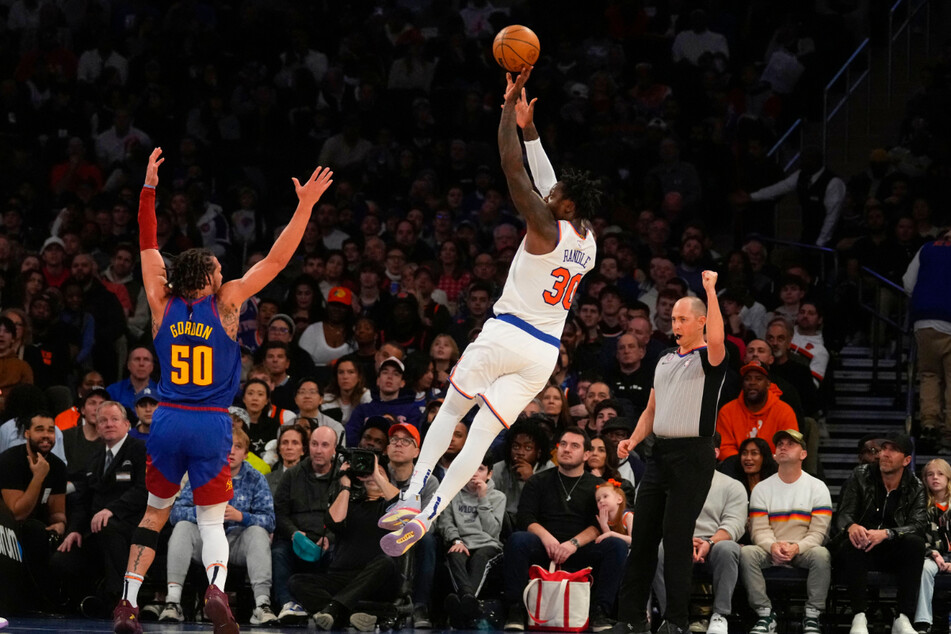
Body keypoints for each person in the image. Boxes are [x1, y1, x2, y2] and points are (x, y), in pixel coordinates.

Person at [379, 67, 600, 557]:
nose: (548, 194)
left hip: (505, 334)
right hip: (543, 355)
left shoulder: (543, 226)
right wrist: (531, 128)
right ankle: (433, 513)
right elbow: (550, 180)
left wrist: (506, 110)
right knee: (481, 435)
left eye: (553, 198)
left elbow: (512, 168)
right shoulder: (587, 239)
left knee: (454, 408)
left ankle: (412, 493)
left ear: (559, 208)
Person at [112, 148, 333, 634]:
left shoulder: (158, 299)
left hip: (166, 418)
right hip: (212, 421)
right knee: (212, 521)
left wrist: (148, 188)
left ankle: (127, 602)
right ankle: (216, 591)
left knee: (154, 514)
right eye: (216, 266)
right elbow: (278, 258)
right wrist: (305, 206)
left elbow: (147, 242)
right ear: (209, 279)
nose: (221, 270)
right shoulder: (228, 302)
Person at [614, 269, 727, 634]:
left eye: (682, 318)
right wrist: (632, 439)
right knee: (643, 537)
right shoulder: (663, 359)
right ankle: (630, 618)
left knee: (677, 539)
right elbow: (651, 409)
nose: (674, 323)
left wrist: (710, 290)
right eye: (673, 318)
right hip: (658, 455)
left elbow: (718, 336)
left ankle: (676, 620)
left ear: (701, 322)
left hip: (694, 456)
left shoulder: (710, 360)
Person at [502, 427, 627, 631]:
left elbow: (598, 524)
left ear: (586, 454)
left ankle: (600, 612)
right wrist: (547, 539)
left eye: (574, 446)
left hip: (579, 548)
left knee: (616, 545)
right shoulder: (538, 480)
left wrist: (573, 544)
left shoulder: (597, 486)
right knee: (517, 540)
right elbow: (525, 517)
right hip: (544, 546)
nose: (567, 449)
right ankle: (515, 610)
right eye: (564, 444)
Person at [159, 427, 278, 626]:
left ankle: (262, 605)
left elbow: (270, 520)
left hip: (237, 543)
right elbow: (176, 512)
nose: (231, 451)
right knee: (182, 527)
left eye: (237, 447)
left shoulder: (255, 478)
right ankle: (173, 602)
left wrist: (243, 517)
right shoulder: (201, 474)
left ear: (246, 454)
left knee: (258, 532)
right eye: (226, 446)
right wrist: (205, 513)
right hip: (205, 542)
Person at [52, 402, 147, 612]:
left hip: (129, 525)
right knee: (62, 559)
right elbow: (83, 500)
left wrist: (112, 509)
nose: (108, 424)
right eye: (103, 420)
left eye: (114, 419)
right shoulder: (94, 458)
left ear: (126, 424)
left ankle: (120, 601)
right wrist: (75, 529)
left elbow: (143, 490)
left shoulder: (140, 450)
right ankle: (85, 602)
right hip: (96, 529)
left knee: (109, 527)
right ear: (97, 427)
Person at [652, 432, 747, 634]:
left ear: (715, 453)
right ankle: (671, 617)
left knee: (729, 549)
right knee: (660, 549)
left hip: (716, 542)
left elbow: (735, 524)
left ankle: (720, 615)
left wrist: (709, 543)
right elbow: (661, 519)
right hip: (679, 538)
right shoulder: (673, 483)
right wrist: (684, 540)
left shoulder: (733, 486)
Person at [833, 432, 926, 634]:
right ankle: (859, 616)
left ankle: (902, 618)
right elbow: (843, 514)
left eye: (893, 450)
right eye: (884, 448)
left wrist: (887, 533)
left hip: (891, 551)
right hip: (860, 549)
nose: (885, 453)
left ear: (907, 460)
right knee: (853, 543)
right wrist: (851, 526)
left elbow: (918, 525)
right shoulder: (861, 474)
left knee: (915, 544)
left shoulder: (915, 486)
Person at [740, 430, 832, 634]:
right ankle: (765, 614)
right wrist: (773, 546)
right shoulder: (762, 488)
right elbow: (759, 529)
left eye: (791, 444)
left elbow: (819, 533)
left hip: (804, 549)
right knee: (746, 553)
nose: (783, 446)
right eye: (780, 443)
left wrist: (797, 547)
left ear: (803, 454)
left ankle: (812, 615)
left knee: (821, 554)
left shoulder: (817, 487)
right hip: (771, 548)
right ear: (774, 454)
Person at [0, 411, 67, 607]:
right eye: (39, 430)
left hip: (34, 528)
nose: (46, 435)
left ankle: (49, 601)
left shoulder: (57, 466)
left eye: (51, 430)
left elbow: (57, 512)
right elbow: (17, 514)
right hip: (6, 528)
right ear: (27, 434)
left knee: (41, 532)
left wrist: (60, 524)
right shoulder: (10, 461)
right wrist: (38, 477)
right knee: (32, 529)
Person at [436, 453, 505, 629]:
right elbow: (446, 523)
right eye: (470, 468)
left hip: (487, 545)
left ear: (489, 474)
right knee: (455, 554)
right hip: (461, 542)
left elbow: (492, 531)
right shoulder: (452, 494)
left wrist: (483, 498)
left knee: (481, 556)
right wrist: (456, 540)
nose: (474, 473)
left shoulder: (498, 497)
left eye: (480, 469)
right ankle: (468, 603)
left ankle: (464, 601)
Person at [903, 229, 951, 452]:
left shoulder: (926, 249)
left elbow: (908, 282)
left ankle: (929, 423)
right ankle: (949, 432)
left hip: (925, 322)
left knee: (929, 374)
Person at [716, 361, 798, 461]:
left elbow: (790, 447)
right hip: (737, 467)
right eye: (747, 379)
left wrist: (762, 463)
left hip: (773, 467)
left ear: (768, 384)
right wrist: (746, 462)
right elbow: (724, 447)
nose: (752, 382)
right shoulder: (727, 411)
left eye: (758, 379)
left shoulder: (784, 411)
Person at [914, 459, 951, 633]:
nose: (935, 478)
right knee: (924, 568)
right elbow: (916, 535)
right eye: (930, 474)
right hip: (930, 556)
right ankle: (923, 622)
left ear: (948, 478)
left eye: (940, 474)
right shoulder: (919, 506)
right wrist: (931, 553)